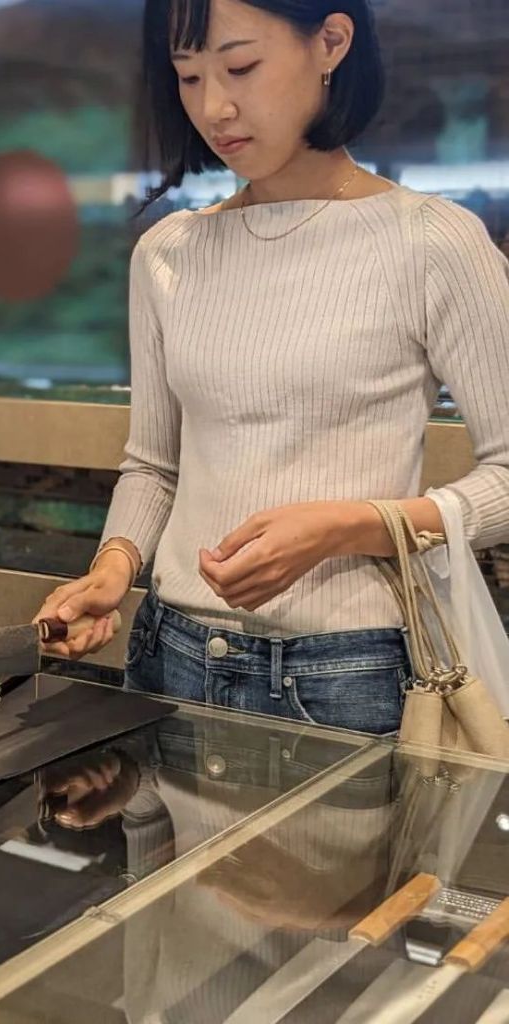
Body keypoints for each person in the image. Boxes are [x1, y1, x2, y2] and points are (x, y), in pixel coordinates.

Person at [36, 0, 509, 733]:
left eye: (241, 66)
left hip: (345, 672)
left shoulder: (431, 241)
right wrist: (113, 568)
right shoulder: (169, 251)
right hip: (170, 651)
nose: (213, 108)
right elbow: (155, 465)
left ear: (332, 42)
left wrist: (350, 525)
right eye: (189, 77)